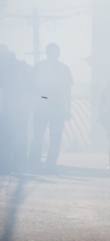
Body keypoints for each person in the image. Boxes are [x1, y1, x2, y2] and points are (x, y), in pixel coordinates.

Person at [29, 43, 73, 171]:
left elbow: (32, 88)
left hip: (41, 106)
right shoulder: (64, 69)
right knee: (55, 137)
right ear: (58, 54)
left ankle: (34, 162)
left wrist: (34, 103)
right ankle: (50, 164)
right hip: (57, 107)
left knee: (38, 136)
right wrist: (67, 109)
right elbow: (67, 91)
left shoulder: (39, 67)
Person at [0, 45, 32, 174]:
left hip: (11, 108)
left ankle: (9, 163)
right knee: (16, 136)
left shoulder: (13, 67)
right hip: (16, 108)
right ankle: (16, 163)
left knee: (8, 136)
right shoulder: (20, 66)